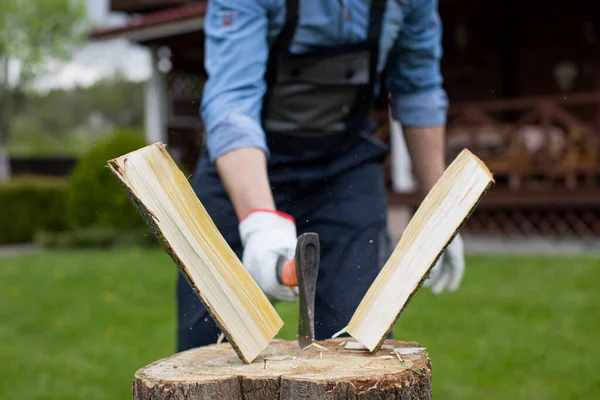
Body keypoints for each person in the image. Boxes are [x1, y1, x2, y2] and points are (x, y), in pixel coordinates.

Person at [177, 0, 464, 351]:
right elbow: (231, 101)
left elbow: (418, 88)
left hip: (345, 170)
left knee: (359, 340)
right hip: (242, 168)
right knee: (209, 346)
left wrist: (441, 210)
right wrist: (259, 220)